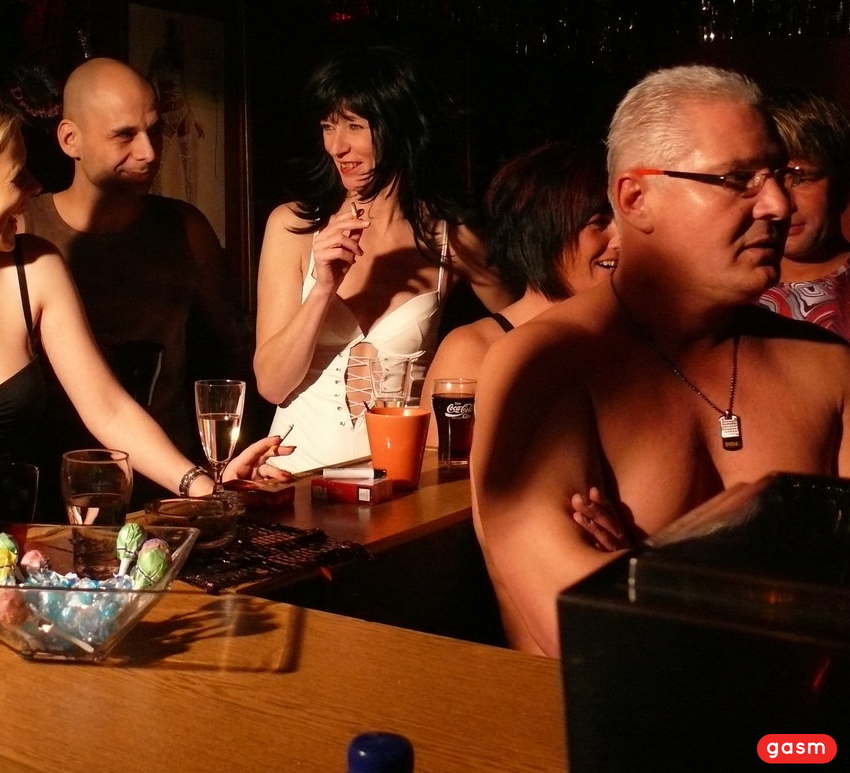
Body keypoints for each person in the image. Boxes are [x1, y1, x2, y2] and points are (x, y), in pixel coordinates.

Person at [471, 64, 850, 658]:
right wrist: (792, 583)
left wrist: (642, 573)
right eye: (738, 179)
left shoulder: (828, 365)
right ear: (636, 198)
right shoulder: (544, 366)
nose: (778, 204)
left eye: (778, 175)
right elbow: (590, 638)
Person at [0, 85, 283, 519]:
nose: (35, 186)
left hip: (24, 546)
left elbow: (108, 409)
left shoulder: (35, 267)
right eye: (18, 176)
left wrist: (205, 488)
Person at [254, 46, 511, 472]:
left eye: (354, 126)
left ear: (398, 127)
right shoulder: (294, 226)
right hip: (292, 475)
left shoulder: (450, 237)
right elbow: (272, 385)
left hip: (401, 478)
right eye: (328, 127)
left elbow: (527, 328)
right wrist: (323, 289)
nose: (336, 146)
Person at [20, 57, 253, 494]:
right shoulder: (23, 229)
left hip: (171, 485)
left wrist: (224, 469)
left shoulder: (185, 227)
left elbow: (235, 351)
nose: (148, 152)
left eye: (154, 130)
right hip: (53, 491)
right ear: (70, 139)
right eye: (124, 135)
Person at [422, 140, 619, 441]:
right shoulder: (473, 350)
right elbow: (441, 467)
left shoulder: (635, 340)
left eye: (623, 221)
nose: (621, 239)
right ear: (544, 233)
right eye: (600, 222)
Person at [754, 89, 850, 339]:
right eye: (767, 179)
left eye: (800, 178)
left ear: (840, 184)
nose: (782, 204)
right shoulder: (724, 292)